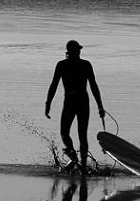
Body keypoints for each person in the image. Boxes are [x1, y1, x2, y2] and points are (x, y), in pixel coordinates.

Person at [45, 40, 106, 174]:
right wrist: (48, 103)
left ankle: (82, 166)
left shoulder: (85, 64)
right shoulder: (62, 65)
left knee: (82, 134)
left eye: (79, 50)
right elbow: (54, 84)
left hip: (81, 101)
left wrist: (100, 106)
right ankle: (74, 156)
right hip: (72, 101)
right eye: (76, 50)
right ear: (70, 51)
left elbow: (94, 86)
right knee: (64, 132)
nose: (78, 52)